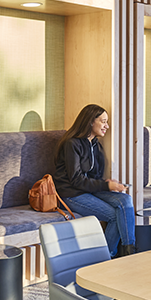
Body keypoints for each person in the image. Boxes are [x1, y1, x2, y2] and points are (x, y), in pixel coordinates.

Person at [52, 103, 135, 257]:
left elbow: (94, 176)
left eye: (107, 122)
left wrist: (109, 183)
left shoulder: (95, 144)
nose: (107, 126)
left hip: (88, 190)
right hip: (71, 193)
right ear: (91, 121)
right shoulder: (72, 144)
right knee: (114, 215)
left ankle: (129, 248)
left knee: (126, 200)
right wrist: (106, 185)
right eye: (103, 121)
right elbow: (76, 180)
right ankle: (108, 255)